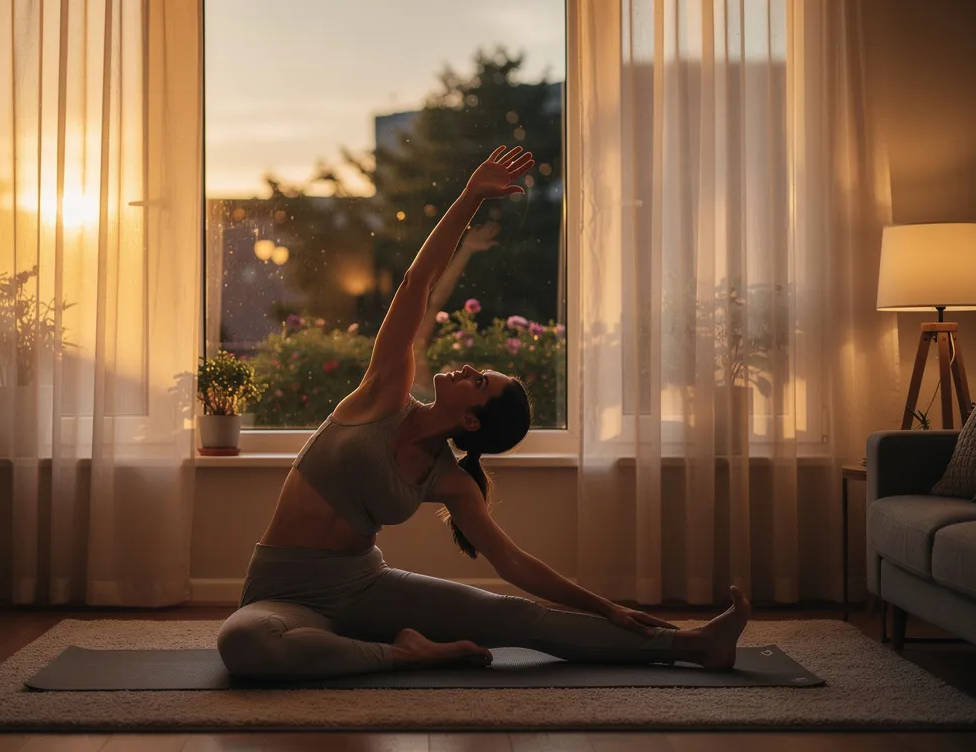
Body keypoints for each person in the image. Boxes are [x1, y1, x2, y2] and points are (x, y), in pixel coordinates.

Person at [217, 146, 751, 681]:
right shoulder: (382, 395)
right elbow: (416, 284)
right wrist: (469, 196)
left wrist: (605, 606)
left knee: (518, 618)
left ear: (471, 422)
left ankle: (694, 644)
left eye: (477, 381)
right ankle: (410, 654)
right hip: (283, 590)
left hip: (365, 590)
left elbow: (514, 564)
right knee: (246, 643)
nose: (467, 367)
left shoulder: (449, 479)